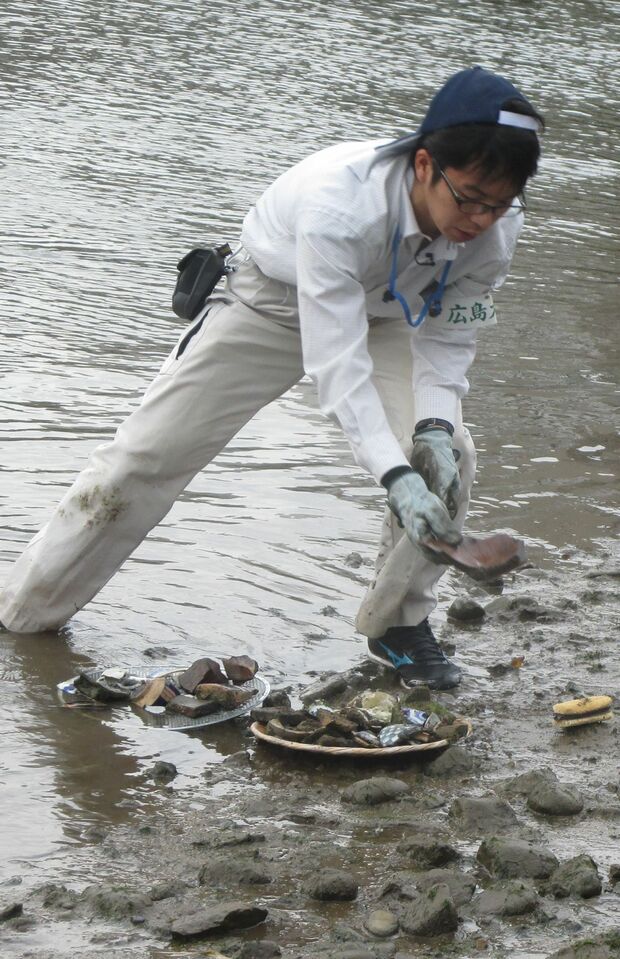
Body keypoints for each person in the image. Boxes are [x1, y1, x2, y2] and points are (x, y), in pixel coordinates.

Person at [0, 66, 543, 691]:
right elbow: (337, 366)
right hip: (270, 302)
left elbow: (448, 336)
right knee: (141, 460)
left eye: (500, 203)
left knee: (453, 457)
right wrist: (395, 476)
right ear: (425, 165)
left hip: (395, 312)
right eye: (469, 198)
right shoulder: (343, 205)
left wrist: (435, 430)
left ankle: (397, 623)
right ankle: (24, 616)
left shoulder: (496, 227)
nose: (481, 218)